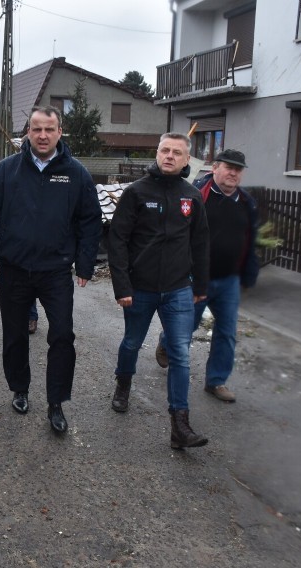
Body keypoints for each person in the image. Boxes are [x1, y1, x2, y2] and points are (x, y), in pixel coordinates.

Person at [0, 106, 103, 434]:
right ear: (27, 131)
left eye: (50, 129)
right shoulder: (6, 170)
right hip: (14, 269)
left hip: (56, 271)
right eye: (36, 129)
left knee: (62, 335)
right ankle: (20, 389)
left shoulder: (76, 174)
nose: (42, 135)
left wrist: (85, 263)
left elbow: (90, 220)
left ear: (60, 132)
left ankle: (56, 402)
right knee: (15, 336)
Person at [107, 132, 210, 450]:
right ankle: (123, 384)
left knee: (180, 354)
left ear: (186, 159)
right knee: (132, 343)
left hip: (179, 288)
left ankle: (180, 424)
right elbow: (118, 240)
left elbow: (201, 243)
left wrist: (200, 285)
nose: (169, 156)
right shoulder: (136, 193)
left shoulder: (191, 196)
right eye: (165, 150)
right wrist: (122, 285)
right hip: (140, 289)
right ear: (157, 153)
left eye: (177, 152)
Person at [155, 149, 258, 403]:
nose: (233, 173)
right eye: (228, 167)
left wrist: (248, 272)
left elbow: (250, 240)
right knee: (185, 327)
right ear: (215, 169)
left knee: (227, 331)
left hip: (229, 280)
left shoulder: (246, 203)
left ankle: (216, 381)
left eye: (238, 169)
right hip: (195, 278)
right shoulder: (196, 196)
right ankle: (166, 343)